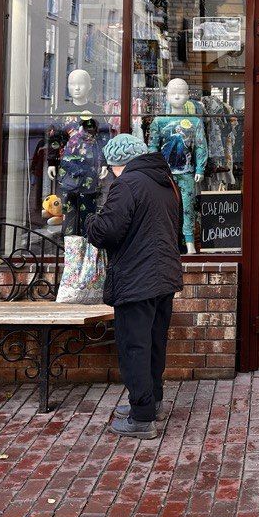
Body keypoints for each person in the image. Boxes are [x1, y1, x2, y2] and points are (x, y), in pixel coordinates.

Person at [86, 133, 184, 438]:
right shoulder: (166, 182)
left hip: (136, 278)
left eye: (112, 167)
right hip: (163, 276)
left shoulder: (127, 183)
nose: (112, 173)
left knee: (134, 347)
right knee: (154, 342)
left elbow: (106, 232)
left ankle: (141, 417)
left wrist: (90, 221)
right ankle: (152, 402)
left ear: (120, 163)